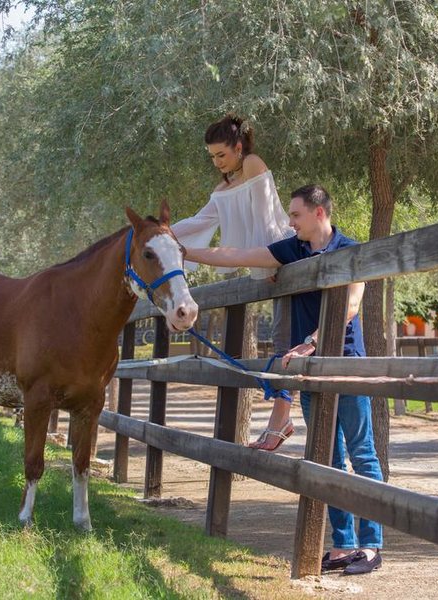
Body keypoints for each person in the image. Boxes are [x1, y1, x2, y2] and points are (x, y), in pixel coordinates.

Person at [184, 184, 384, 575]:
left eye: (295, 215)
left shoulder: (350, 249)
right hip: (308, 369)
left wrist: (310, 343)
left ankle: (371, 545)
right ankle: (343, 545)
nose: (290, 222)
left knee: (362, 453)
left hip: (345, 363)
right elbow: (237, 254)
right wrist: (185, 252)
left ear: (319, 213)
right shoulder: (293, 249)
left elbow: (353, 305)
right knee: (327, 456)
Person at [170, 114, 295, 451]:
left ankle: (281, 420)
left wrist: (269, 258)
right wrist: (162, 233)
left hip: (284, 252)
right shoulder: (222, 188)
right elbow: (200, 221)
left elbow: (266, 216)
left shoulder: (253, 164)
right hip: (262, 259)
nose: (216, 162)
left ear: (239, 148)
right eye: (211, 157)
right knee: (286, 337)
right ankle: (281, 419)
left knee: (286, 336)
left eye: (221, 155)